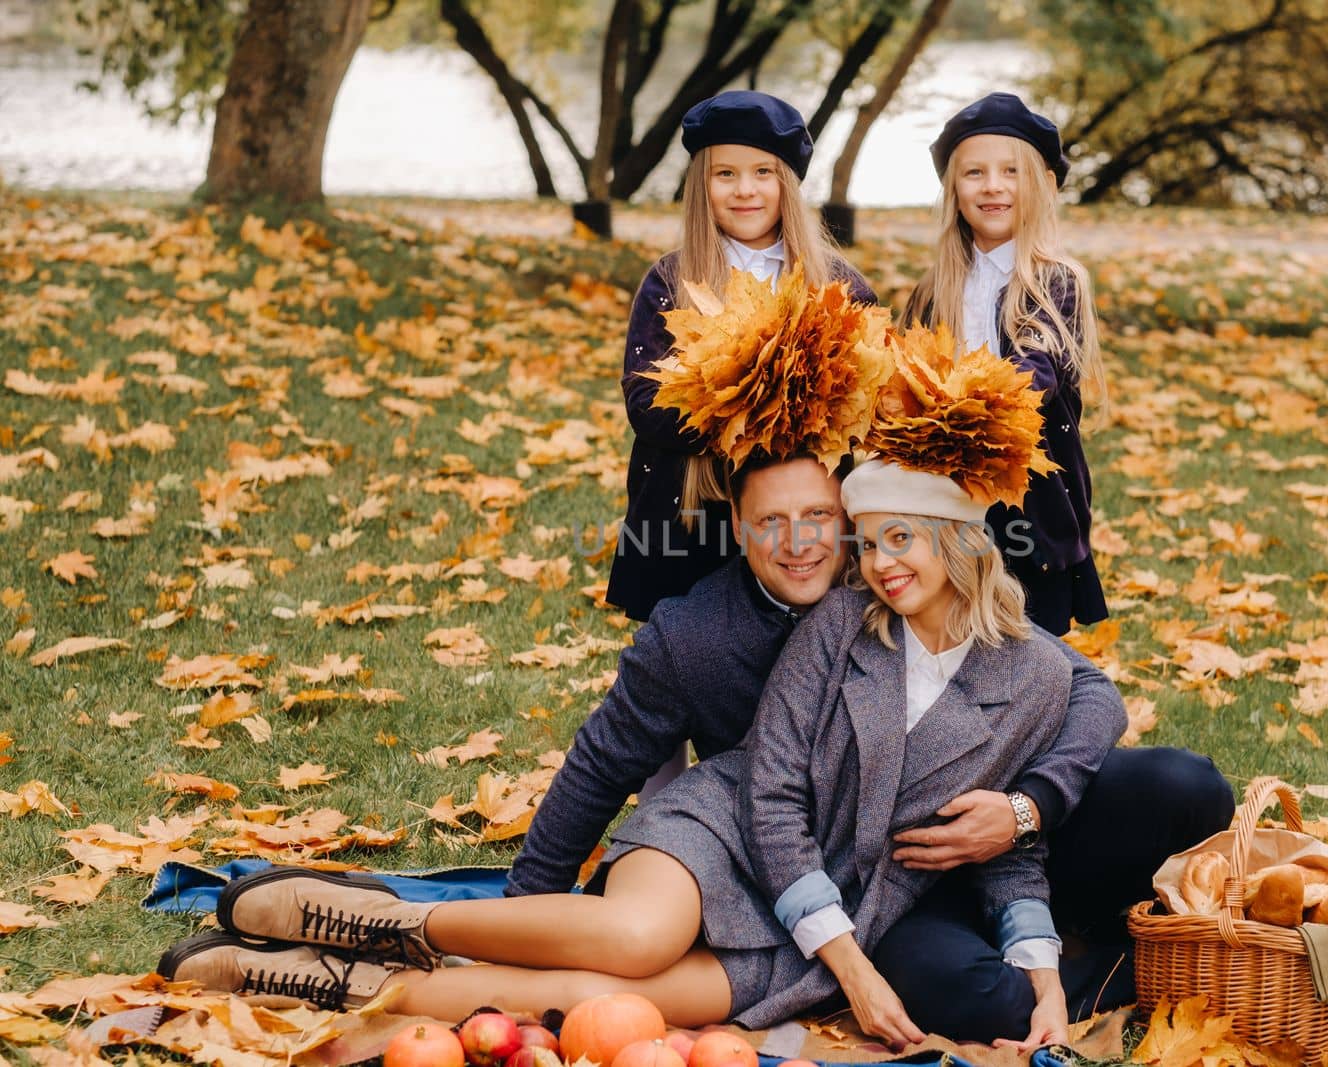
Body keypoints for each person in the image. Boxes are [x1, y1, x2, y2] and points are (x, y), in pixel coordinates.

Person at [155, 338, 1087, 1046]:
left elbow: (1030, 795)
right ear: (741, 528)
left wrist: (1040, 960)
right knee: (638, 938)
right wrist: (521, 915)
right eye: (784, 524)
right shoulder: (820, 622)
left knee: (604, 1004)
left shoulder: (1004, 655)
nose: (843, 552)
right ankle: (372, 918)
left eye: (845, 527)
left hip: (823, 908)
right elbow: (646, 772)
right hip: (728, 832)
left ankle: (307, 980)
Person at [608, 89, 877, 623]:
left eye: (762, 172)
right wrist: (750, 406)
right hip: (694, 505)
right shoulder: (670, 281)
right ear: (701, 186)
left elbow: (870, 395)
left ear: (788, 183)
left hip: (806, 511)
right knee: (701, 642)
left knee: (808, 647)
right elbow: (646, 402)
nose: (745, 190)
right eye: (724, 174)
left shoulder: (837, 283)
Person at [907, 92, 1107, 637]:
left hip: (1029, 500)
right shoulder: (935, 289)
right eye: (975, 172)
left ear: (1041, 186)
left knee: (1029, 638)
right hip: (945, 494)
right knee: (949, 625)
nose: (993, 185)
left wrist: (952, 403)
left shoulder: (1057, 281)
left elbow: (1033, 377)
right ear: (954, 189)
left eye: (1010, 172)